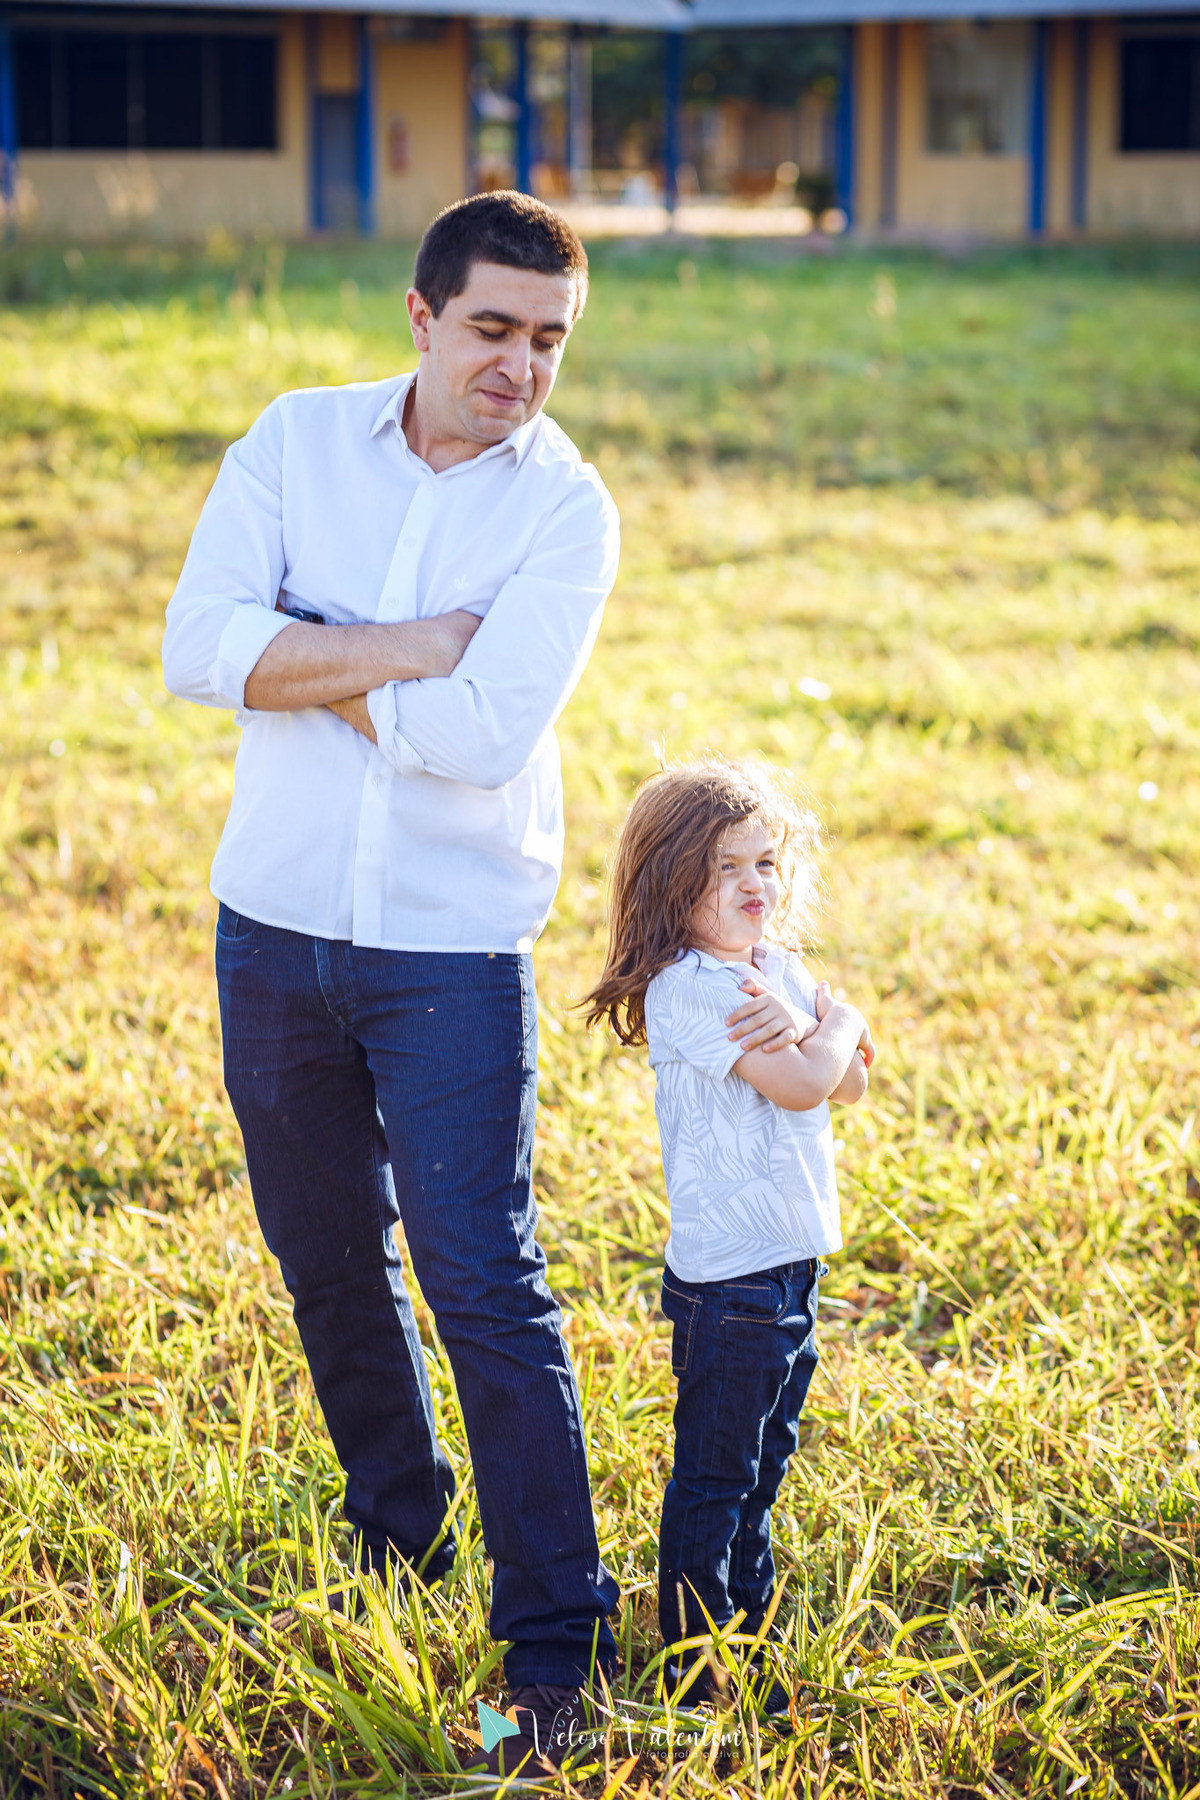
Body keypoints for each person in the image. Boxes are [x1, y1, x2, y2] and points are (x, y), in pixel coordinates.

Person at [162, 192, 620, 1777]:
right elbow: (194, 646)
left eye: (551, 340)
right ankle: (395, 1535)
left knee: (482, 1279)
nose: (522, 368)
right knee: (326, 1263)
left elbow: (486, 739)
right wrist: (417, 642)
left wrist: (309, 650)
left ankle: (555, 1646)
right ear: (420, 317)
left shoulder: (568, 511)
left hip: (448, 954)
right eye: (493, 329)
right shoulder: (292, 441)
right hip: (271, 929)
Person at [583, 758, 874, 1721]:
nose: (758, 886)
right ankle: (691, 1670)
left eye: (767, 863)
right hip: (731, 1285)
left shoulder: (779, 973)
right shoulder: (690, 991)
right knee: (717, 1474)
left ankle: (743, 1635)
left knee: (767, 1462)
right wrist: (843, 1024)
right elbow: (807, 1080)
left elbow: (851, 1085)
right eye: (727, 870)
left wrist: (824, 1031)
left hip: (795, 1268)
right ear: (675, 885)